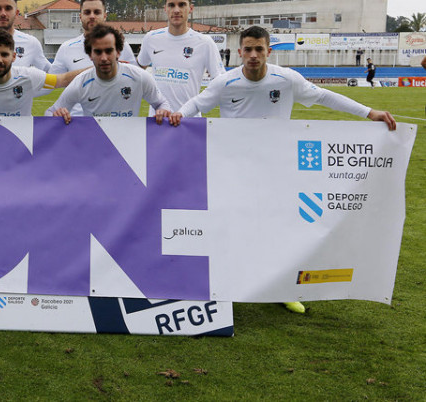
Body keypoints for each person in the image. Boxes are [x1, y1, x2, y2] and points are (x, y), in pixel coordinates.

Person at [169, 26, 396, 314]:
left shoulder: (286, 79)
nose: (253, 55)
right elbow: (196, 103)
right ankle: (225, 286)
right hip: (233, 171)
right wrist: (178, 116)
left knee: (278, 230)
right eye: (248, 49)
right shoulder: (226, 83)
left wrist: (369, 112)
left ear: (268, 51)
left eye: (259, 49)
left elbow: (325, 96)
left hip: (277, 170)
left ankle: (283, 288)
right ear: (239, 52)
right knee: (232, 228)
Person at [50, 24, 171, 124]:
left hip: (129, 148)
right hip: (94, 147)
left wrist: (162, 111)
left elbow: (161, 103)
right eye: (98, 52)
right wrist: (57, 114)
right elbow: (51, 112)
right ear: (90, 55)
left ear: (118, 52)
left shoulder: (139, 77)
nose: (103, 58)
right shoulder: (80, 82)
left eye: (109, 51)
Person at [137, 0, 224, 116]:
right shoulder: (151, 38)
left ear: (191, 8)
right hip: (158, 122)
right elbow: (136, 71)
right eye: (171, 5)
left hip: (189, 122)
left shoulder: (205, 43)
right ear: (165, 8)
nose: (176, 10)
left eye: (182, 4)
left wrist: (196, 105)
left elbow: (220, 82)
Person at [48, 0, 138, 116]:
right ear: (80, 16)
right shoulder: (66, 48)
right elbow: (51, 83)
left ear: (105, 16)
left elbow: (136, 81)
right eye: (87, 12)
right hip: (77, 123)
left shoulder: (122, 46)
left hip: (113, 122)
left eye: (97, 12)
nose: (92, 16)